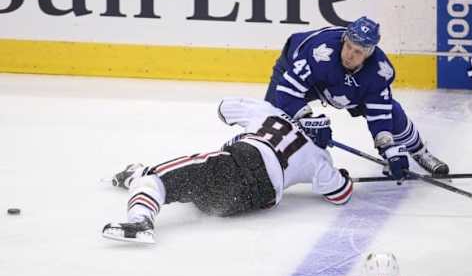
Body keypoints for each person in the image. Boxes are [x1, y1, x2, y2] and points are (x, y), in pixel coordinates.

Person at [102, 97, 353, 244]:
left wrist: (260, 110)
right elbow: (341, 194)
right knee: (196, 190)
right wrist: (343, 176)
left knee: (157, 179)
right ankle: (135, 175)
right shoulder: (319, 159)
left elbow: (224, 107)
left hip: (237, 163)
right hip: (253, 200)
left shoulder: (271, 114)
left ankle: (139, 219)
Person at [264, 16, 449, 179]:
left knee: (393, 112)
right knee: (269, 117)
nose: (350, 55)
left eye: (358, 51)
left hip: (347, 86)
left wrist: (388, 148)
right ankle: (265, 160)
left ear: (369, 53)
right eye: (349, 46)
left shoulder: (380, 71)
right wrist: (306, 120)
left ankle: (420, 152)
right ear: (344, 39)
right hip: (307, 77)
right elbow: (288, 92)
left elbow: (380, 113)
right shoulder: (320, 53)